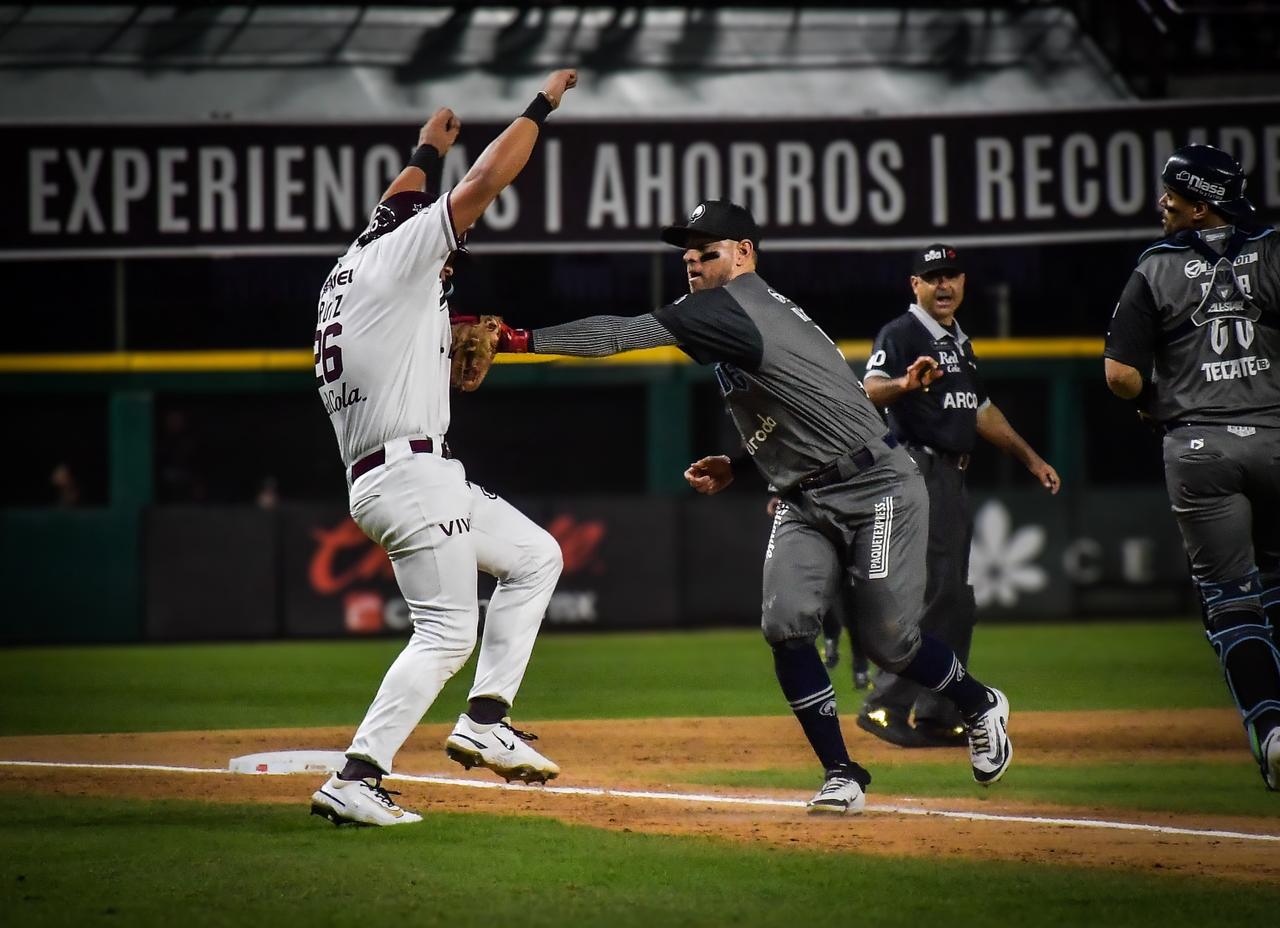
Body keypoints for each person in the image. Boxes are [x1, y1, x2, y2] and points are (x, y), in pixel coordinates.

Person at [496, 199, 1014, 814]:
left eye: (706, 250)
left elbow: (622, 333)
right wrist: (740, 463)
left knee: (890, 642)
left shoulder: (729, 305)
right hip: (803, 495)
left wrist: (516, 339)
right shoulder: (746, 312)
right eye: (687, 253)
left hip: (876, 486)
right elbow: (808, 406)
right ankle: (841, 772)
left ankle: (979, 703)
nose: (692, 261)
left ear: (743, 253)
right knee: (785, 625)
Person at [309, 69, 578, 827]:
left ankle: (486, 720)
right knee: (448, 633)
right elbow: (487, 179)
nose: (452, 262)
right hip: (409, 474)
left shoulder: (351, 268)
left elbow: (397, 202)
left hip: (409, 471)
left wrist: (426, 149)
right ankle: (356, 777)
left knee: (537, 557)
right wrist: (540, 106)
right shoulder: (401, 255)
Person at [1104, 143, 1280, 791]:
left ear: (1201, 206)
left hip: (1200, 448)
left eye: (1173, 195)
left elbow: (1120, 375)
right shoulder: (1275, 250)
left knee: (1231, 599)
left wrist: (1157, 400)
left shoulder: (1157, 266)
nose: (1162, 203)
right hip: (1276, 437)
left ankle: (1272, 729)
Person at [858, 245, 1061, 748]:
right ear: (915, 285)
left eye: (950, 275)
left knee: (956, 598)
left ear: (964, 282)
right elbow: (870, 389)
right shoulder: (902, 333)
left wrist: (1031, 458)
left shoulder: (959, 343)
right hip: (918, 470)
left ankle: (938, 712)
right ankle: (885, 704)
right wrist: (905, 383)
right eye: (932, 277)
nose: (943, 285)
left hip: (950, 475)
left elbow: (980, 411)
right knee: (933, 591)